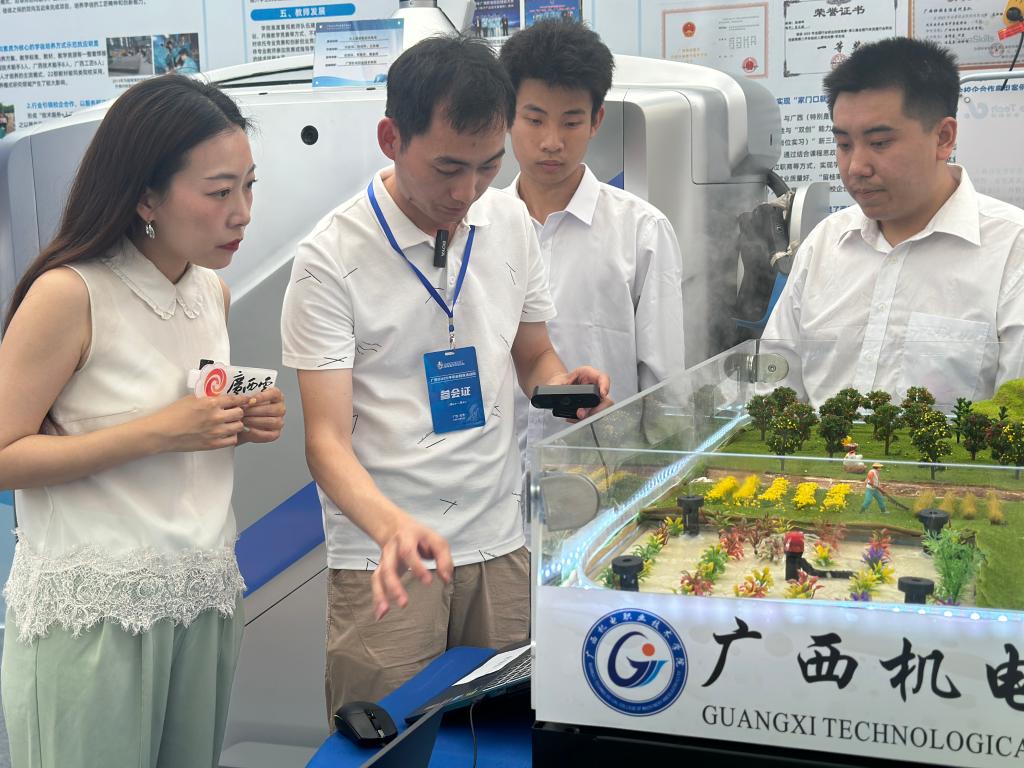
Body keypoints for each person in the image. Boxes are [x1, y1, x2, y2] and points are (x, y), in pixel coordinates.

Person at [280, 34, 611, 712]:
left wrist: (563, 389)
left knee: (504, 736)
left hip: (499, 540)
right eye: (447, 168)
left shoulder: (509, 220)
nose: (466, 192)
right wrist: (390, 528)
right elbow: (325, 441)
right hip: (387, 557)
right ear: (391, 138)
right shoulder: (329, 258)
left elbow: (531, 356)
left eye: (489, 166)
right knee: (392, 740)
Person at [0, 75, 285, 768]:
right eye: (219, 192)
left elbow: (187, 421)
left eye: (249, 186)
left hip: (202, 598)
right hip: (97, 613)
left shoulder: (210, 291)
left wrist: (240, 418)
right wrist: (162, 431)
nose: (242, 213)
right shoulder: (70, 293)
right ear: (146, 196)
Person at [763, 37, 1024, 408]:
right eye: (844, 144)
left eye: (880, 143)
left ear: (944, 137)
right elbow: (776, 382)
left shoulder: (1012, 251)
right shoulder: (825, 243)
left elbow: (1015, 414)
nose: (856, 167)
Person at [499, 19, 685, 459]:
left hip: (604, 472)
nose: (552, 142)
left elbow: (663, 381)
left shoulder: (641, 230)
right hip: (498, 477)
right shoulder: (478, 226)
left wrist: (655, 472)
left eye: (571, 122)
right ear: (506, 115)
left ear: (596, 120)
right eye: (535, 119)